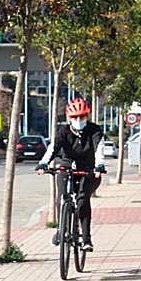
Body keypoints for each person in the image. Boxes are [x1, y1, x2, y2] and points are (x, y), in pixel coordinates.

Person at [37, 97, 106, 251]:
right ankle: (62, 230)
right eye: (75, 117)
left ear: (87, 116)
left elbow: (98, 148)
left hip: (88, 169)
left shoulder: (94, 130)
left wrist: (99, 166)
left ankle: (86, 239)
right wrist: (44, 163)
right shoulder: (63, 131)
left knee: (82, 199)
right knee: (62, 196)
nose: (78, 119)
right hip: (67, 166)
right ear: (69, 118)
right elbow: (53, 148)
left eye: (82, 116)